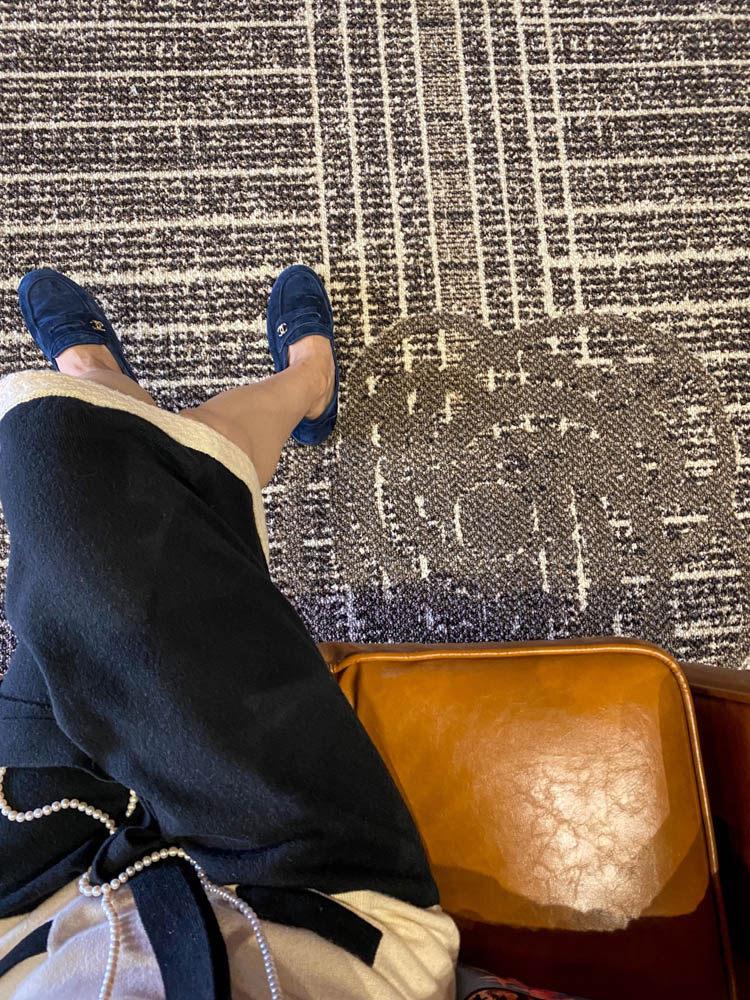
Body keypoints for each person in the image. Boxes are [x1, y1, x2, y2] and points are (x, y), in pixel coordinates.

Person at [0, 265, 459, 999]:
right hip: (298, 920)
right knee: (61, 466)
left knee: (66, 612)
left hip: (23, 924)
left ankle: (122, 398)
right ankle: (298, 384)